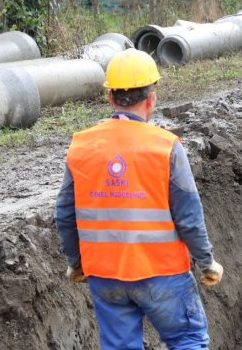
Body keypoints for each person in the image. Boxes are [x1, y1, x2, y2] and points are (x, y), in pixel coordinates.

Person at [55, 49, 223, 349]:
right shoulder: (165, 147)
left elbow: (65, 213)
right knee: (187, 340)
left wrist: (75, 261)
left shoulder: (81, 146)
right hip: (162, 274)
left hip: (105, 276)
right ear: (152, 98)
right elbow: (188, 215)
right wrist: (206, 261)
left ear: (110, 98)